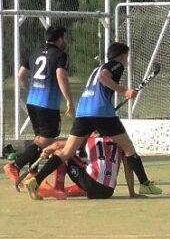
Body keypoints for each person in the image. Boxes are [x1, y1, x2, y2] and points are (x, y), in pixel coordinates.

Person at [22, 42, 162, 199]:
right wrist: (125, 91)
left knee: (67, 151)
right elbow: (104, 78)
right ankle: (145, 184)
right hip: (102, 112)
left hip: (83, 111)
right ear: (122, 56)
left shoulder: (97, 68)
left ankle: (36, 180)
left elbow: (99, 81)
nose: (126, 61)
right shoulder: (116, 64)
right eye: (126, 57)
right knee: (128, 148)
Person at [4, 26, 73, 185]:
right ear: (60, 38)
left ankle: (32, 174)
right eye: (65, 38)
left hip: (32, 102)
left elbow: (21, 75)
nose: (65, 41)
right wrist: (69, 99)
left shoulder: (34, 52)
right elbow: (61, 75)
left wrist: (31, 89)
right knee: (46, 140)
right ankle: (15, 165)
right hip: (47, 104)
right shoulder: (60, 55)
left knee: (39, 138)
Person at [30, 133, 139, 200]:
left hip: (90, 183)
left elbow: (57, 145)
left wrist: (46, 150)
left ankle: (58, 189)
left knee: (61, 152)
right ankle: (62, 191)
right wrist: (132, 193)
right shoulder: (122, 141)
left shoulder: (89, 137)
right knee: (89, 171)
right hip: (108, 191)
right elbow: (128, 169)